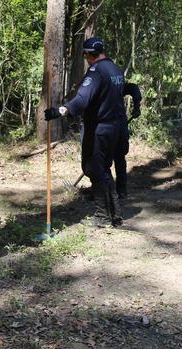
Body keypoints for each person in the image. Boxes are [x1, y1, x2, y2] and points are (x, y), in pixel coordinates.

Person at [44, 37, 125, 228]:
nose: (86, 59)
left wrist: (60, 111)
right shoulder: (115, 69)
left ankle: (103, 217)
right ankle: (116, 214)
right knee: (104, 168)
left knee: (94, 170)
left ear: (89, 55)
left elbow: (82, 99)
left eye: (86, 55)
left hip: (98, 129)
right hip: (114, 127)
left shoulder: (96, 72)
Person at [114, 82, 141, 199]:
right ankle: (108, 191)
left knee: (119, 159)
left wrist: (137, 106)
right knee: (104, 162)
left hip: (118, 126)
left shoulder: (115, 83)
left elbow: (134, 88)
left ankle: (120, 190)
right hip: (111, 126)